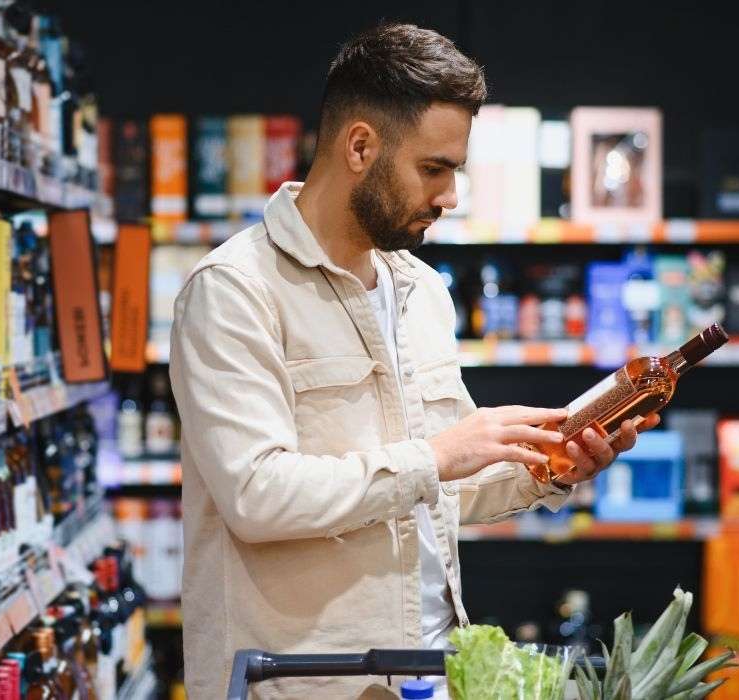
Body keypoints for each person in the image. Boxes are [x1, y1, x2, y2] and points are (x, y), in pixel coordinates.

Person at [168, 22, 658, 699]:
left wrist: (548, 469)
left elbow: (434, 492)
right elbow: (256, 496)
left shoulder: (421, 291)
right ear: (361, 146)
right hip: (299, 685)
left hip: (429, 674)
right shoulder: (233, 293)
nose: (450, 196)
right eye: (434, 169)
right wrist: (434, 457)